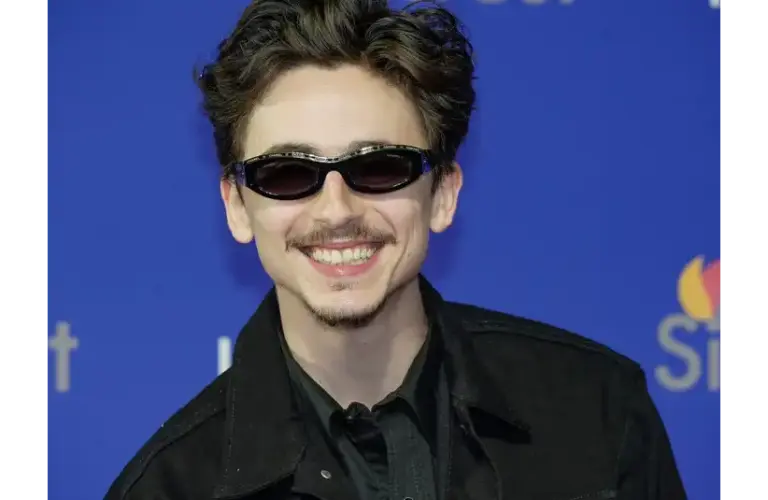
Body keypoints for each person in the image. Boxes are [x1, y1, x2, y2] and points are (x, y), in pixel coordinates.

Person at [104, 0, 688, 498]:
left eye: (380, 167)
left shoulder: (599, 411)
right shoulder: (169, 485)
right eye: (286, 173)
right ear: (237, 206)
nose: (336, 211)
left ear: (442, 194)